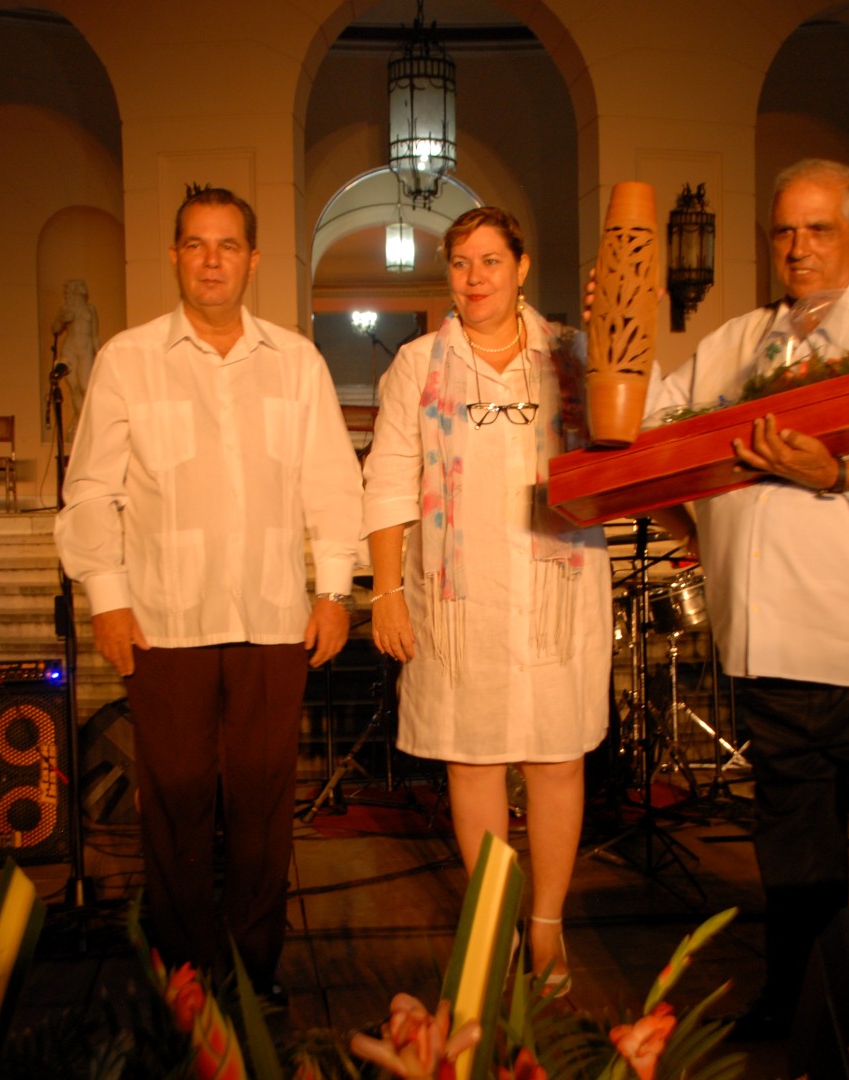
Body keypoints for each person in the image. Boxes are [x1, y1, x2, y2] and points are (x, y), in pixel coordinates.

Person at [643, 159, 849, 1040]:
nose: (796, 247)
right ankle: (797, 1008)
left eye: (818, 229)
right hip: (771, 651)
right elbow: (651, 427)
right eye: (784, 231)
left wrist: (838, 470)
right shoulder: (732, 342)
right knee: (794, 867)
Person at [55, 185, 363, 995]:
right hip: (163, 620)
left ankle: (255, 973)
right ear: (174, 257)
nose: (212, 260)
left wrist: (334, 589)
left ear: (253, 260)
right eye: (196, 244)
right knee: (176, 807)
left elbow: (332, 483)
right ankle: (185, 974)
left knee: (263, 807)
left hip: (271, 619)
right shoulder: (128, 359)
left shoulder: (296, 362)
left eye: (228, 245)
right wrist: (107, 598)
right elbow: (91, 490)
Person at [361, 207, 610, 996]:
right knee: (471, 757)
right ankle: (491, 922)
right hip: (456, 593)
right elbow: (388, 482)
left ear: (522, 265)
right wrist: (387, 593)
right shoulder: (417, 363)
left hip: (557, 588)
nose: (474, 278)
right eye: (461, 263)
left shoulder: (570, 357)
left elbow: (626, 442)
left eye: (490, 261)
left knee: (556, 754)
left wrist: (620, 332)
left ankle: (545, 925)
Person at [51, 278, 101, 417]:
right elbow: (55, 329)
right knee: (74, 388)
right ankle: (79, 421)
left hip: (85, 349)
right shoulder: (66, 309)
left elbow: (95, 334)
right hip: (70, 349)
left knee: (86, 386)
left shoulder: (90, 309)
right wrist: (61, 319)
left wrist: (99, 354)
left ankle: (89, 420)